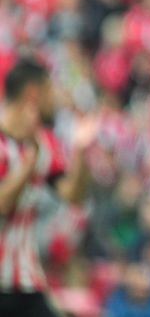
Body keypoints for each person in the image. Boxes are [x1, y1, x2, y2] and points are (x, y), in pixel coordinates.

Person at [0, 57, 94, 317]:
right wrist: (29, 162)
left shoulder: (46, 142)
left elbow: (72, 196)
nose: (54, 98)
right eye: (50, 90)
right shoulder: (27, 147)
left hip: (26, 281)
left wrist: (81, 152)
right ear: (33, 92)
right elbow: (2, 204)